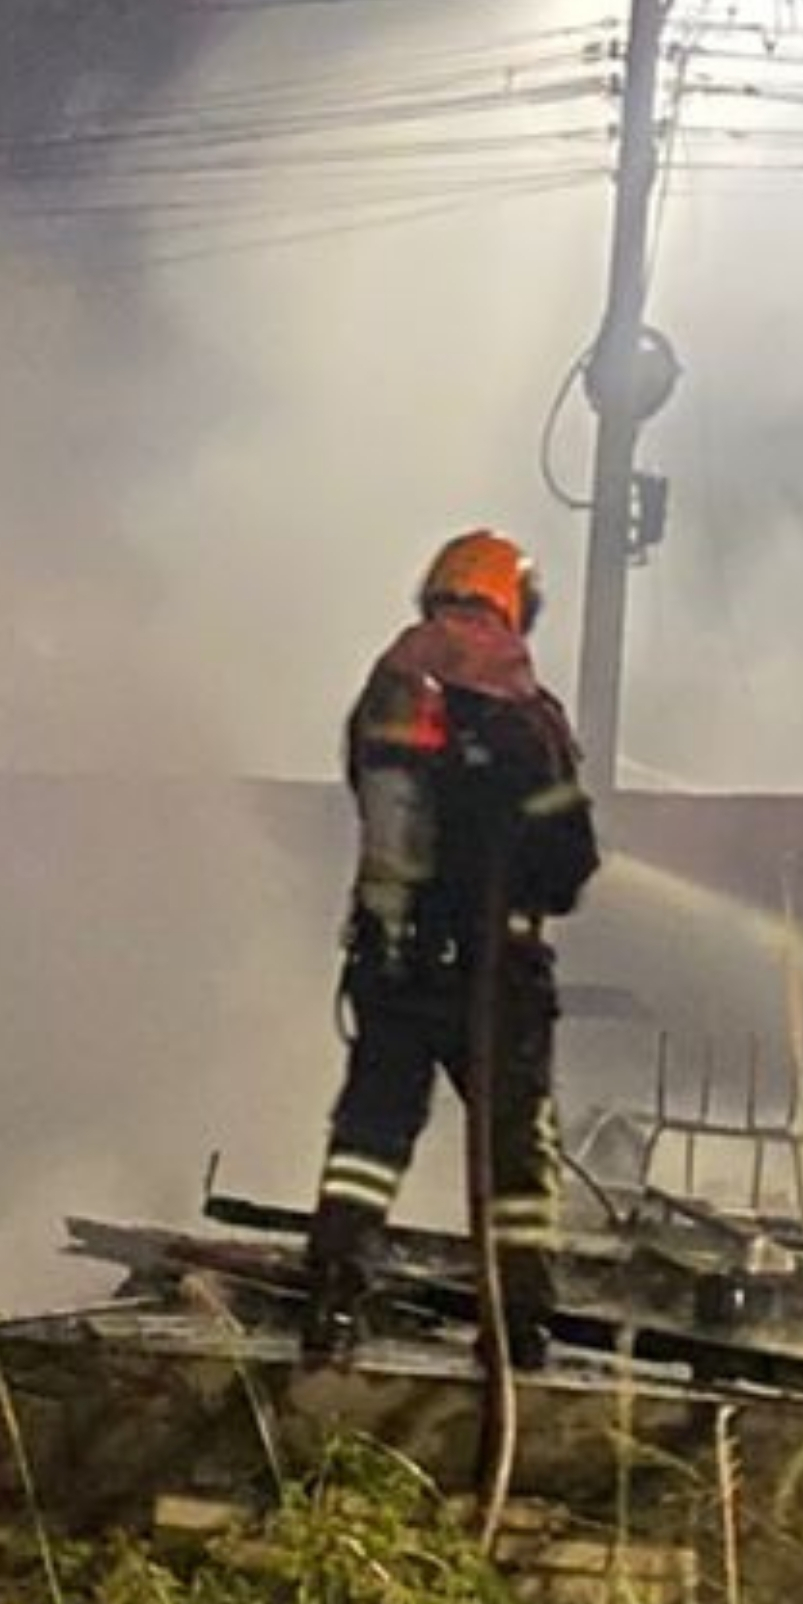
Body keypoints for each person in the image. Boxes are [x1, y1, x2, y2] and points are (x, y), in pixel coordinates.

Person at [302, 527, 600, 1366]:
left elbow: (376, 803)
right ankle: (516, 1328)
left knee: (369, 1133)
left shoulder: (388, 692)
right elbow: (569, 864)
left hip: (392, 963)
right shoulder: (522, 711)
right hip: (494, 972)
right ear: (513, 603)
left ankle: (330, 1301)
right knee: (514, 1150)